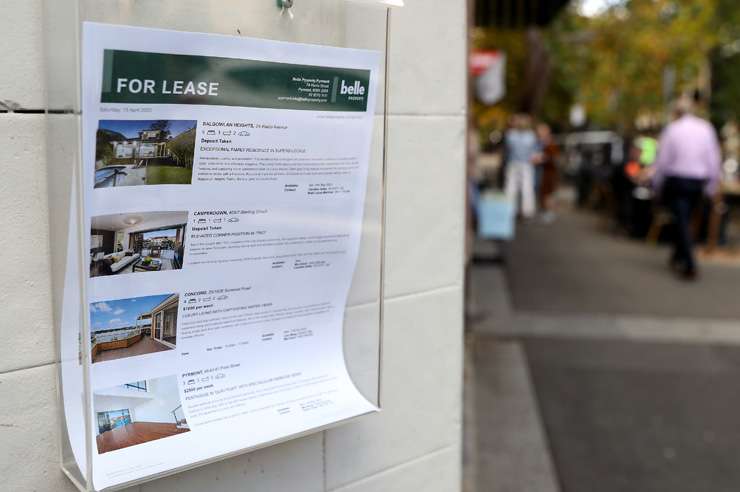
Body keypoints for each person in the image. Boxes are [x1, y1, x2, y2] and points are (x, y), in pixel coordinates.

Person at [653, 98, 722, 280]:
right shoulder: (705, 128)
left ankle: (689, 262)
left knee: (681, 219)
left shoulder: (673, 129)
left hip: (677, 180)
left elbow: (663, 161)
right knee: (685, 218)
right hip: (697, 182)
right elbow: (713, 159)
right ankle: (678, 255)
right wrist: (712, 185)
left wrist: (657, 184)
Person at [504, 114, 541, 218]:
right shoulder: (530, 136)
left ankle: (512, 210)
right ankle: (525, 210)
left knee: (514, 188)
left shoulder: (511, 135)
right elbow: (534, 151)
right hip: (522, 164)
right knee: (523, 188)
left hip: (518, 163)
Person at [536, 123, 559, 222]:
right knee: (543, 193)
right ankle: (544, 211)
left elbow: (553, 157)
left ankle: (549, 212)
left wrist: (542, 159)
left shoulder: (550, 143)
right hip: (544, 172)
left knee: (548, 194)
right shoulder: (542, 142)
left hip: (548, 172)